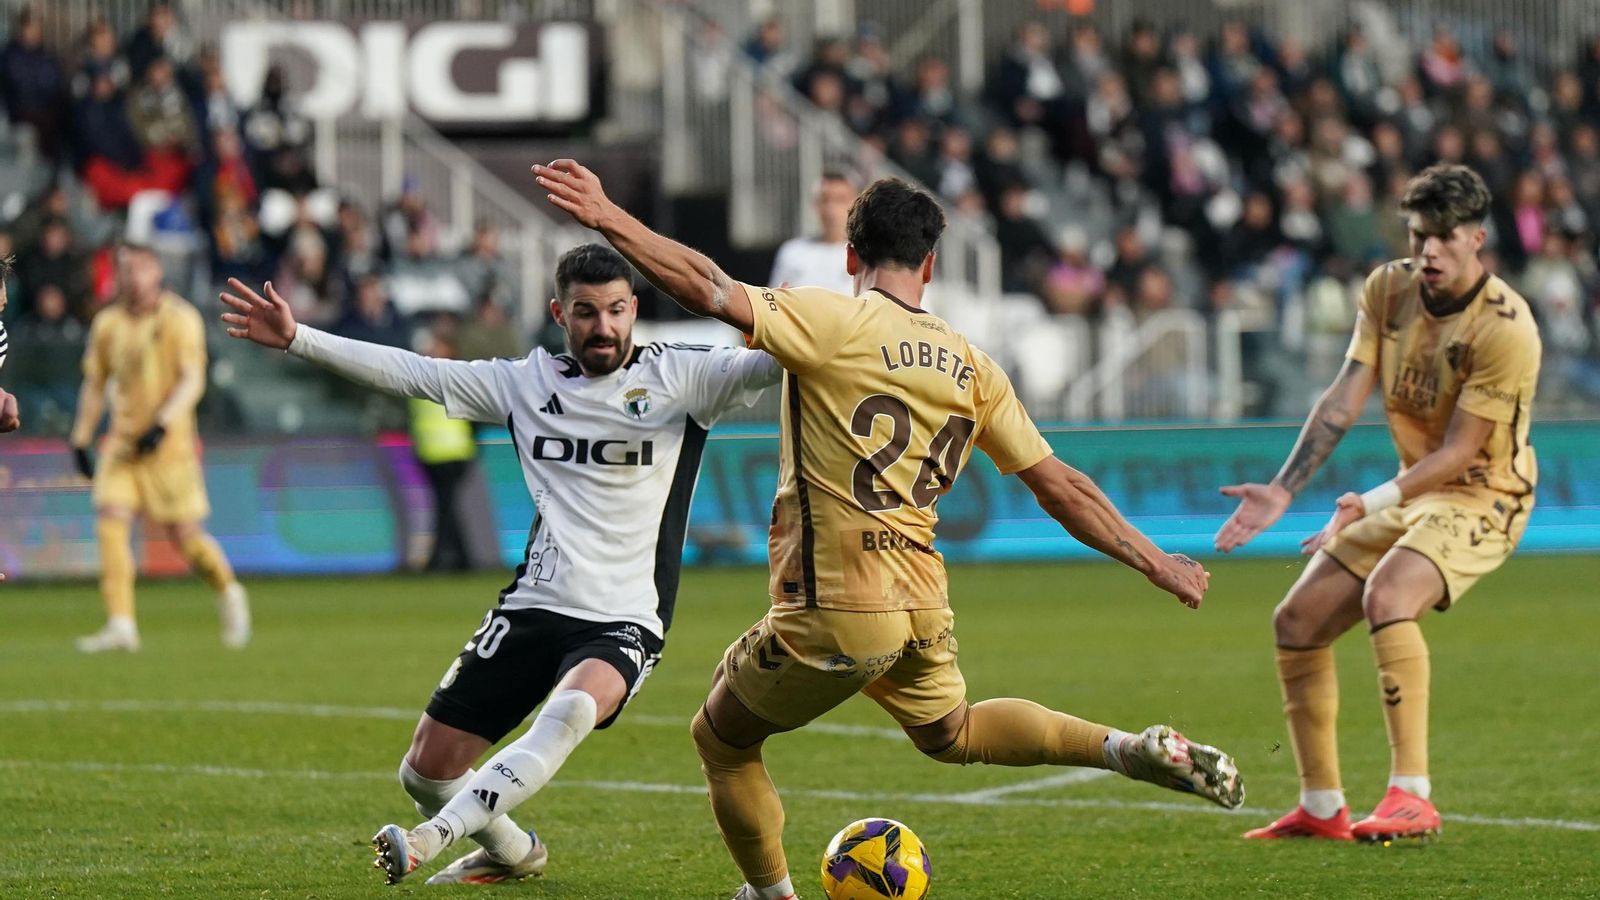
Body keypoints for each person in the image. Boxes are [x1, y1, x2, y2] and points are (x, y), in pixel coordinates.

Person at [533, 160, 1243, 900]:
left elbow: (706, 285)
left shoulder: (832, 319)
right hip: (921, 601)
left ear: (850, 255)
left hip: (835, 606)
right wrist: (1155, 560)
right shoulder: (974, 366)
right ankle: (1126, 749)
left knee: (722, 738)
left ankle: (769, 895)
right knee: (954, 732)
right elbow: (1060, 487)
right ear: (930, 264)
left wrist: (610, 217)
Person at [218, 243, 782, 885]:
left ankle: (433, 838)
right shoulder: (525, 384)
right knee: (425, 773)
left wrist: (807, 316)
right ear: (559, 314)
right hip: (535, 603)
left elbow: (775, 360)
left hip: (627, 614)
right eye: (586, 311)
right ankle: (514, 852)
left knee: (569, 714)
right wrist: (298, 339)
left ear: (635, 309)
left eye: (617, 310)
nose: (604, 326)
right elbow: (414, 374)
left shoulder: (683, 379)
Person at [1215, 165, 1540, 843]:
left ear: (1478, 237)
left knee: (1387, 597)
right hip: (1411, 489)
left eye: (1445, 238)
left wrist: (1370, 500)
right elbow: (1342, 396)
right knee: (1297, 619)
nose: (1428, 252)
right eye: (1419, 235)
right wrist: (1284, 487)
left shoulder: (1505, 328)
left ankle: (1412, 794)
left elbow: (1459, 451)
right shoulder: (1389, 288)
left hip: (1485, 496)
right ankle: (1322, 805)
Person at [69, 244, 251, 653]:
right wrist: (80, 438)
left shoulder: (180, 318)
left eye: (138, 268)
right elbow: (95, 384)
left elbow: (192, 380)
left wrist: (163, 423)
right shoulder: (108, 323)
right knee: (110, 521)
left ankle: (228, 590)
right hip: (122, 445)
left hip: (170, 449)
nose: (130, 277)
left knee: (187, 539)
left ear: (156, 272)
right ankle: (120, 623)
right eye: (124, 269)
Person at [768, 171, 856, 294]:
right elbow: (774, 301)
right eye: (825, 200)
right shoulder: (792, 252)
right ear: (814, 203)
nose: (832, 209)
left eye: (840, 200)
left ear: (855, 203)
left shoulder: (865, 254)